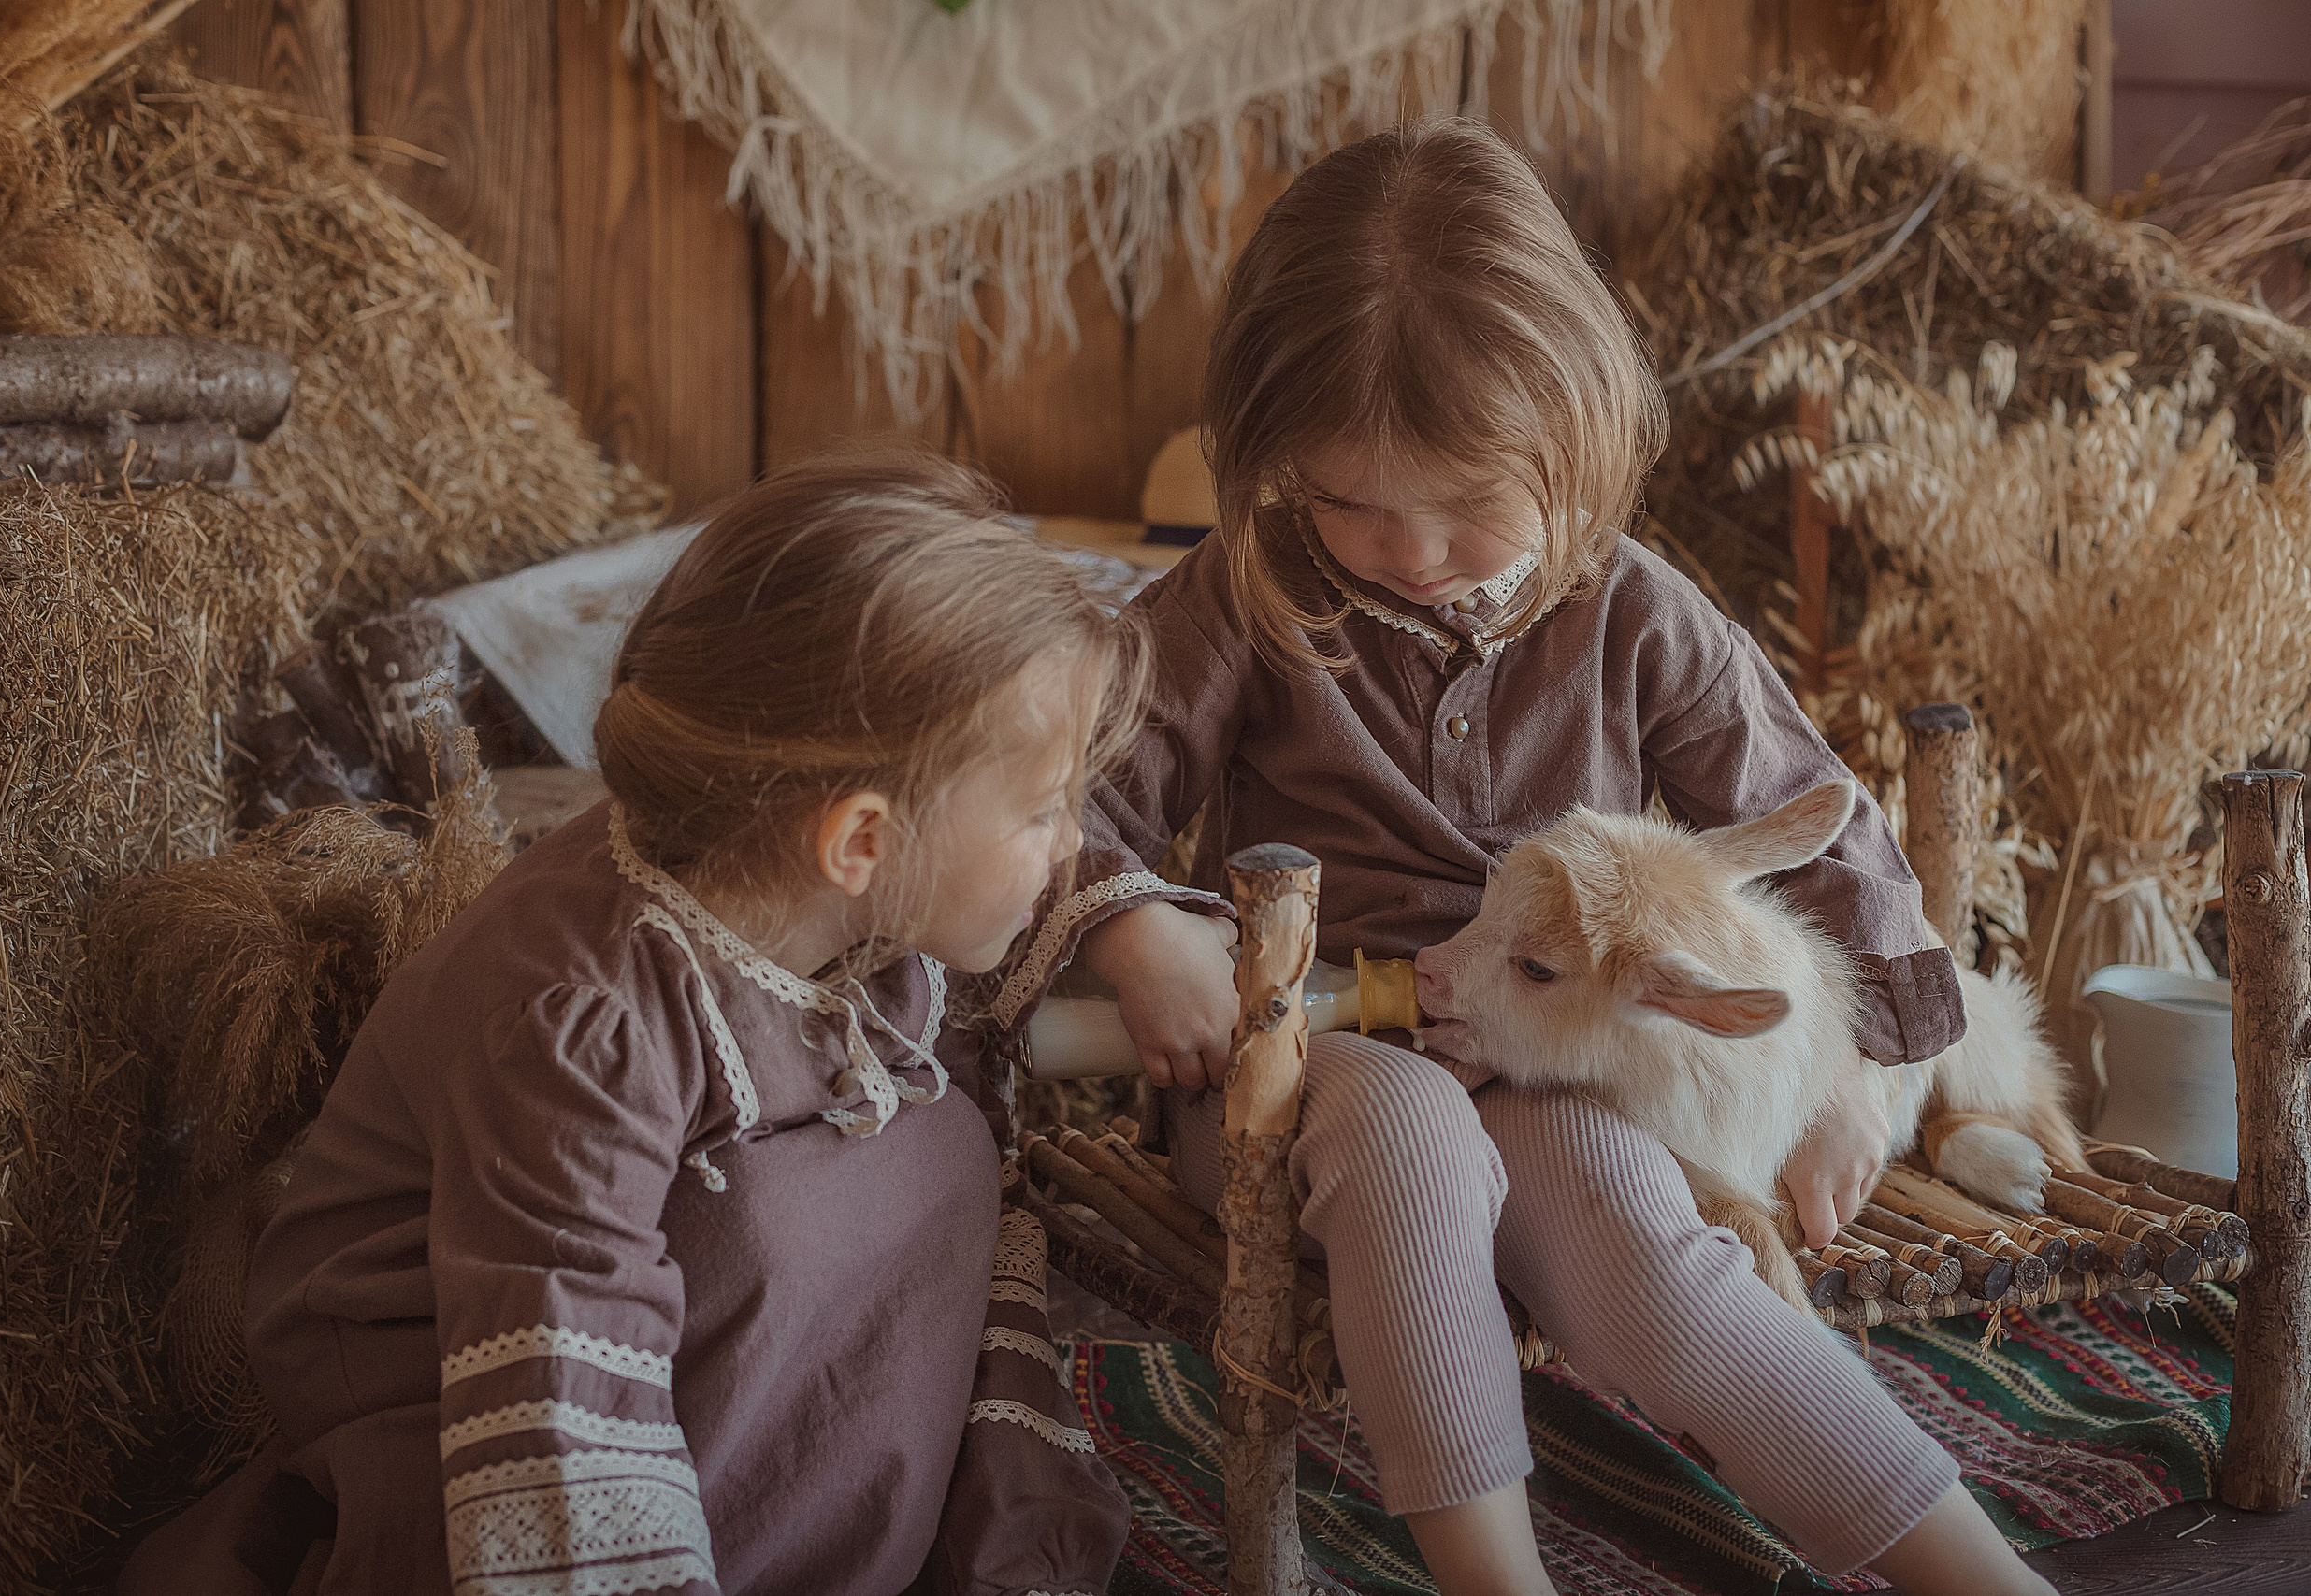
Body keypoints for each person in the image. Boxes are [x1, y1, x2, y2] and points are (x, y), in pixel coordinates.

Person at [992, 122, 2055, 1596]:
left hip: (1551, 1061)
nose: (1415, 549)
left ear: (1576, 436)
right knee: (1413, 1140)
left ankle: (1981, 1572)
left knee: (1642, 1235)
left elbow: (1824, 827)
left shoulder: (1638, 612)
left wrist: (1860, 1078)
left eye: (1472, 503)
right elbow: (1056, 795)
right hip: (1303, 1062)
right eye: (1352, 501)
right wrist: (1135, 934)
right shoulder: (1246, 593)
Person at [123, 451, 1134, 1596]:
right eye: (1047, 812)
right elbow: (557, 1348)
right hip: (484, 1384)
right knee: (776, 1214)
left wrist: (1144, 934)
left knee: (922, 1148)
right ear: (859, 839)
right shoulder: (585, 1018)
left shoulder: (820, 892)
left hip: (643, 1324)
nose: (1073, 843)